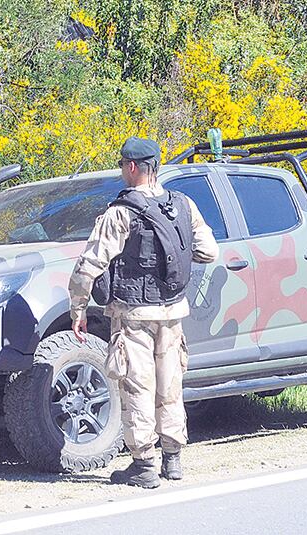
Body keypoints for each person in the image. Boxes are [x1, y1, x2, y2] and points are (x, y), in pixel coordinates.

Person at [67, 137, 218, 488]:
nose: (122, 170)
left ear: (132, 167)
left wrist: (78, 309)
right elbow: (209, 251)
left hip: (133, 313)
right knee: (170, 385)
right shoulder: (183, 205)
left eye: (122, 165)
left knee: (137, 386)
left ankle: (144, 464)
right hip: (173, 312)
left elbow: (89, 266)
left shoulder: (120, 212)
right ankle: (173, 459)